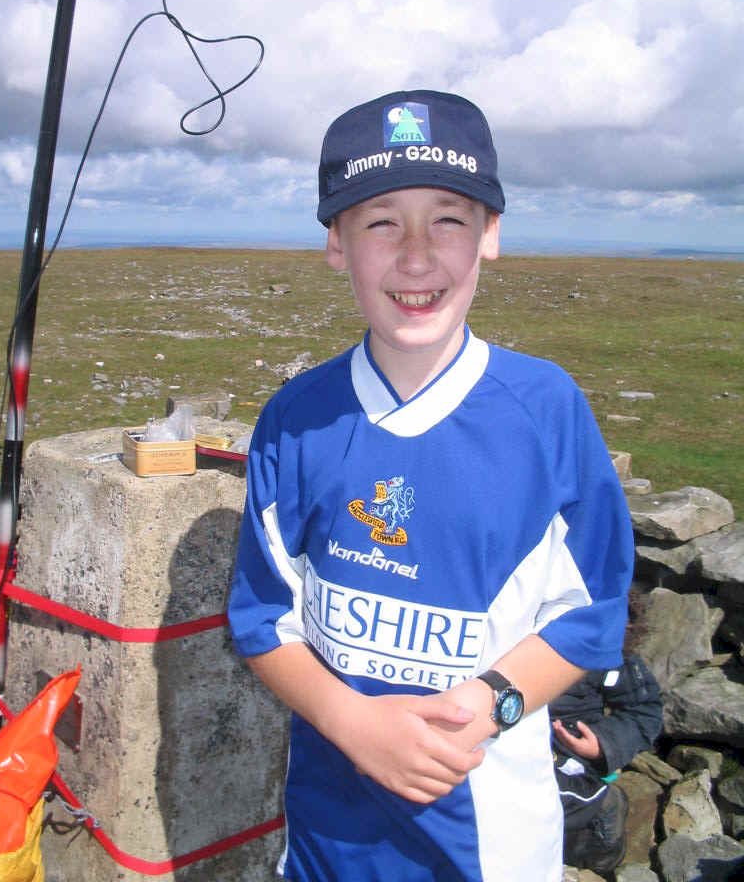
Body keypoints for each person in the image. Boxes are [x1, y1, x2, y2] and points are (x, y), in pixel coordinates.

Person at [227, 88, 635, 882]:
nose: (416, 256)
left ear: (490, 236)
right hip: (322, 849)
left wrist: (491, 705)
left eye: (448, 219)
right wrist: (352, 721)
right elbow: (262, 621)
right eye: (381, 221)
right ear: (336, 243)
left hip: (492, 851)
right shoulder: (295, 419)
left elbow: (591, 616)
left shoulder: (545, 412)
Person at [550, 652, 663, 873]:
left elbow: (644, 711)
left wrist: (602, 745)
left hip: (568, 762)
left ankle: (604, 810)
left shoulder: (603, 643)